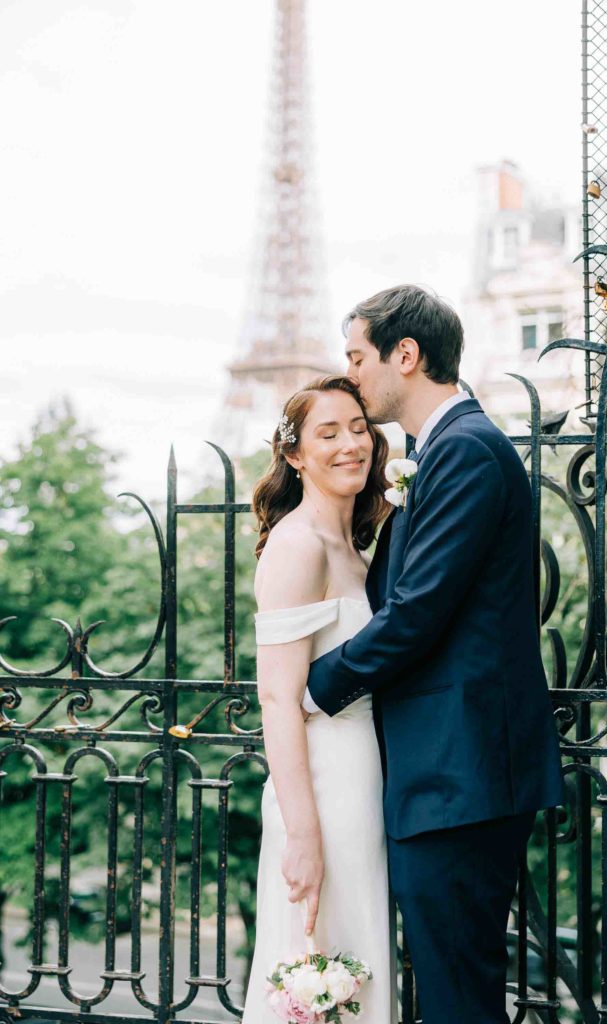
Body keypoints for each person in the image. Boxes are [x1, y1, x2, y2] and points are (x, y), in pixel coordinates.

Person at [301, 285, 565, 1024]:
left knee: (457, 996)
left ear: (405, 355)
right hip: (442, 771)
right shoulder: (441, 451)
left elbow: (416, 614)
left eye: (356, 356)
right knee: (448, 986)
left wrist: (310, 689)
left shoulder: (467, 452)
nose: (349, 373)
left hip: (461, 771)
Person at [241, 375, 398, 1024]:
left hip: (360, 786)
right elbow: (277, 700)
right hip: (321, 794)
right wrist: (302, 833)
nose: (349, 444)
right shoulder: (298, 545)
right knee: (316, 966)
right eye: (327, 433)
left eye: (358, 428)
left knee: (355, 958)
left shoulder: (352, 548)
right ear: (295, 456)